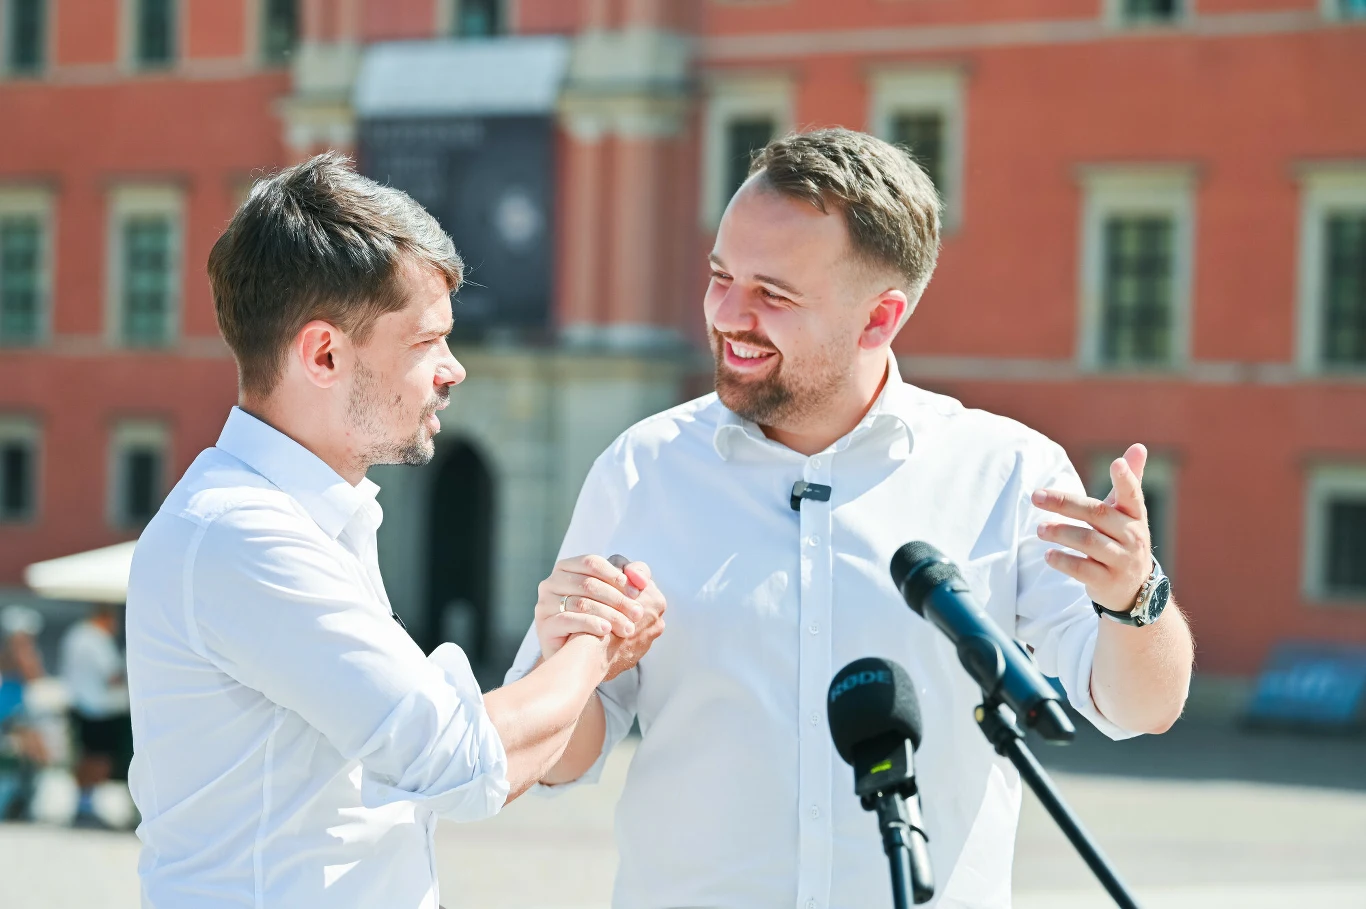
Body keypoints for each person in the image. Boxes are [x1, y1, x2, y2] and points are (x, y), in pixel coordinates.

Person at [506, 128, 1195, 909]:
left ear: (880, 318)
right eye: (720, 275)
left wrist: (1137, 596)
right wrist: (567, 661)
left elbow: (1141, 708)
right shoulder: (642, 468)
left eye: (773, 294)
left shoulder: (1007, 472)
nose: (728, 314)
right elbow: (559, 758)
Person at [124, 154, 662, 908]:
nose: (454, 369)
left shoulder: (301, 518)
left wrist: (558, 646)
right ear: (324, 354)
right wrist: (596, 644)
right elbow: (463, 760)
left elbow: (440, 772)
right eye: (426, 342)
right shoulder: (243, 534)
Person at [59, 603, 132, 826]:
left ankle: (82, 803)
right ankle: (86, 805)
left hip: (79, 705)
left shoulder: (75, 635)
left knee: (86, 757)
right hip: (101, 709)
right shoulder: (96, 639)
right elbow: (112, 675)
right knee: (100, 760)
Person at [0, 605, 52, 819]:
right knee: (36, 754)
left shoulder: (9, 650)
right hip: (14, 708)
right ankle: (20, 802)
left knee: (33, 755)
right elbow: (34, 674)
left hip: (14, 706)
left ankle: (20, 801)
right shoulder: (18, 650)